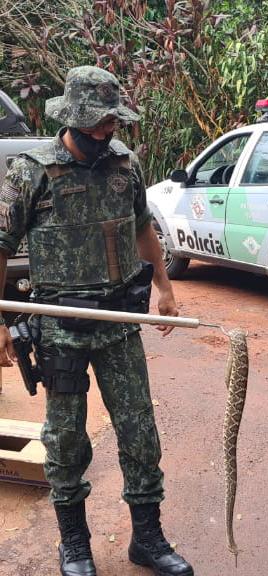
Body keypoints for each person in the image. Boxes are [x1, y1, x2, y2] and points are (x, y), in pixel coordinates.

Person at [0, 66, 193, 576]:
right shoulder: (32, 171)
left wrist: (165, 288)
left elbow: (142, 226)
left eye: (114, 120)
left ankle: (147, 540)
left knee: (139, 432)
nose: (110, 130)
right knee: (66, 439)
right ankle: (75, 544)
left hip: (117, 319)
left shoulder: (124, 166)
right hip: (60, 325)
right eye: (102, 121)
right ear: (77, 119)